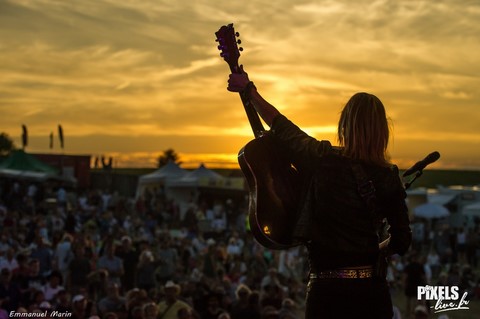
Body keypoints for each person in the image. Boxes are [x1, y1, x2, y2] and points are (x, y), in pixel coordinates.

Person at [227, 67, 412, 318]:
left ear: (345, 125)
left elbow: (281, 125)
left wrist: (249, 90)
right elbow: (402, 240)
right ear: (384, 131)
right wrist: (371, 252)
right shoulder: (387, 175)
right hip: (371, 292)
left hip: (326, 291)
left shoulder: (322, 158)